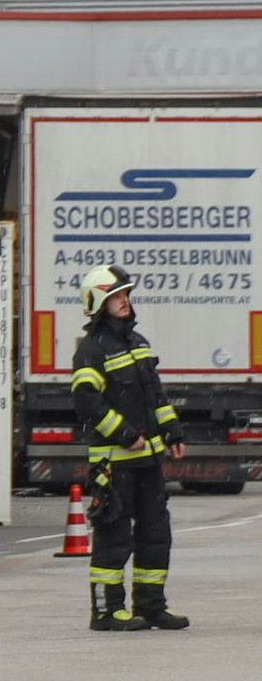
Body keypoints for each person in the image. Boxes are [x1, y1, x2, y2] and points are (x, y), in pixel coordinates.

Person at [73, 265, 192, 632]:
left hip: (147, 461)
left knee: (156, 532)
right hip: (113, 462)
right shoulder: (91, 351)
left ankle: (151, 605)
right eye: (116, 298)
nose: (125, 302)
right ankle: (107, 611)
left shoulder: (138, 343)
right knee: (114, 535)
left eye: (126, 296)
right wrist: (124, 433)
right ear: (98, 303)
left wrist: (172, 431)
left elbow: (155, 396)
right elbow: (86, 399)